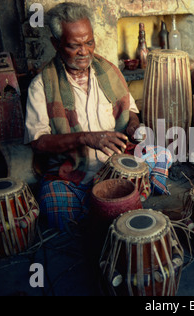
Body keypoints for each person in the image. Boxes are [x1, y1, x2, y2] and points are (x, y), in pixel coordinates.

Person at [24, 3, 141, 231]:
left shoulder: (109, 72)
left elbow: (131, 110)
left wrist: (134, 127)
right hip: (71, 173)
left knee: (162, 155)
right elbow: (39, 143)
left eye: (89, 42)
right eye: (74, 46)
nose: (85, 52)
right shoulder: (41, 85)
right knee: (56, 211)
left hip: (114, 166)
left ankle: (103, 209)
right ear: (56, 44)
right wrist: (85, 138)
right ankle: (100, 210)